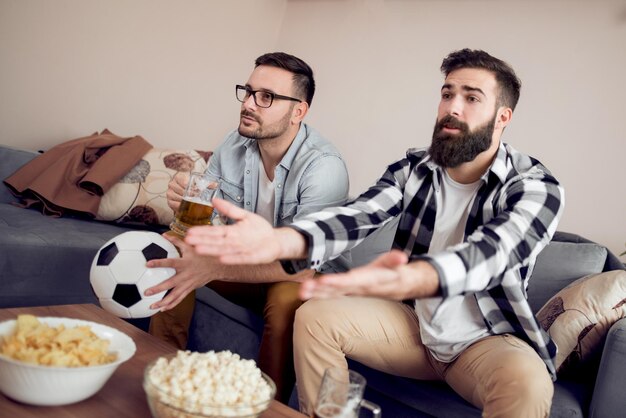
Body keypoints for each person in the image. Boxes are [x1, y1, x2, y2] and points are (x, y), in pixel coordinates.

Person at [182, 49, 565, 417]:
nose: (453, 107)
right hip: (414, 327)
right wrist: (281, 240)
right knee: (315, 317)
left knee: (527, 386)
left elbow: (493, 253)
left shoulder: (534, 187)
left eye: (471, 98)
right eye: (447, 93)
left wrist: (413, 277)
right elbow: (355, 216)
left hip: (486, 338)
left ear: (502, 117)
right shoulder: (415, 168)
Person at [146, 52, 350, 403]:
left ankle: (266, 407)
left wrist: (212, 266)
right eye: (248, 91)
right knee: (174, 258)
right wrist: (184, 206)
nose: (250, 104)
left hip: (304, 276)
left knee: (287, 301)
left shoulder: (324, 168)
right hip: (246, 262)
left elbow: (302, 266)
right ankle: (164, 381)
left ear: (298, 111)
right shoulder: (234, 143)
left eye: (266, 97)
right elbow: (206, 216)